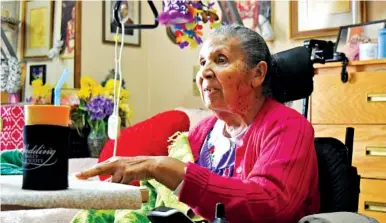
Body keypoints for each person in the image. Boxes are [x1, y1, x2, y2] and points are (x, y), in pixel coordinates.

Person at [76, 25, 320, 223]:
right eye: (202, 62)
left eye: (220, 59)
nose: (205, 71)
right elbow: (164, 200)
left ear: (257, 74)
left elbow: (272, 205)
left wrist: (166, 168)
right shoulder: (202, 132)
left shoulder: (288, 127)